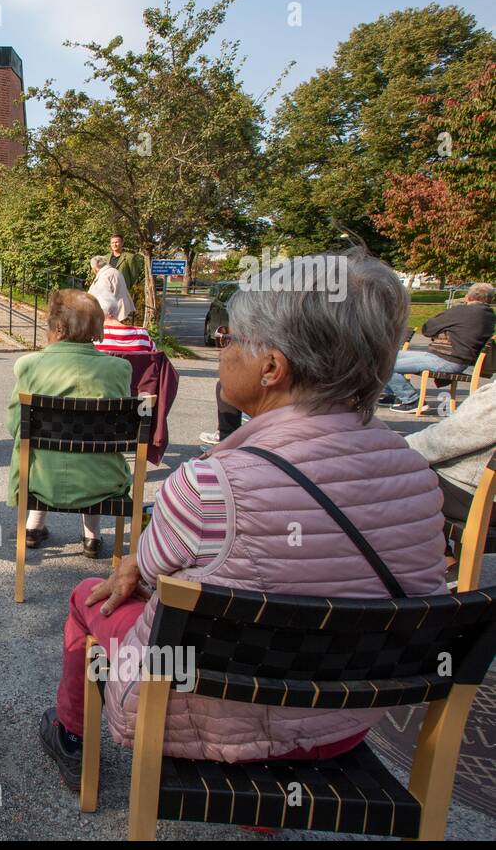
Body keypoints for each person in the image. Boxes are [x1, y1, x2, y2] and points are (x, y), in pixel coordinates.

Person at [39, 250, 448, 789]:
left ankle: (70, 735)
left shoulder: (209, 484)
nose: (221, 349)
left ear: (272, 368)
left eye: (229, 339)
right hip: (342, 721)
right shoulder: (417, 479)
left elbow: (157, 573)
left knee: (90, 596)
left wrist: (135, 562)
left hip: (204, 714)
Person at [6, 290, 132, 558]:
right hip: (102, 482)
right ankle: (92, 537)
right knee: (92, 454)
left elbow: (14, 425)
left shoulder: (29, 365)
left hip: (41, 481)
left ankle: (33, 527)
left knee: (43, 453)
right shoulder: (119, 369)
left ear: (58, 327)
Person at [381, 283, 494, 411]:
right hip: (452, 359)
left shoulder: (461, 311)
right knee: (388, 357)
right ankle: (395, 394)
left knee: (386, 365)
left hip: (446, 360)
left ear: (468, 297)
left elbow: (427, 329)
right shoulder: (489, 315)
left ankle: (411, 400)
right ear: (490, 299)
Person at [407, 379, 496, 529]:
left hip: (478, 500)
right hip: (479, 494)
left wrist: (392, 448)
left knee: (389, 478)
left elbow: (440, 442)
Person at [87, 254, 135, 324]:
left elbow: (104, 299)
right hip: (121, 310)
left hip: (111, 315)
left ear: (95, 268)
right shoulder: (114, 271)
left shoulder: (105, 276)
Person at [107, 233, 144, 300]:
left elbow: (134, 276)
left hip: (122, 292)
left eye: (116, 242)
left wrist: (128, 289)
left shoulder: (129, 257)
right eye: (112, 242)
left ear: (122, 243)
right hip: (107, 292)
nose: (114, 244)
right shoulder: (106, 258)